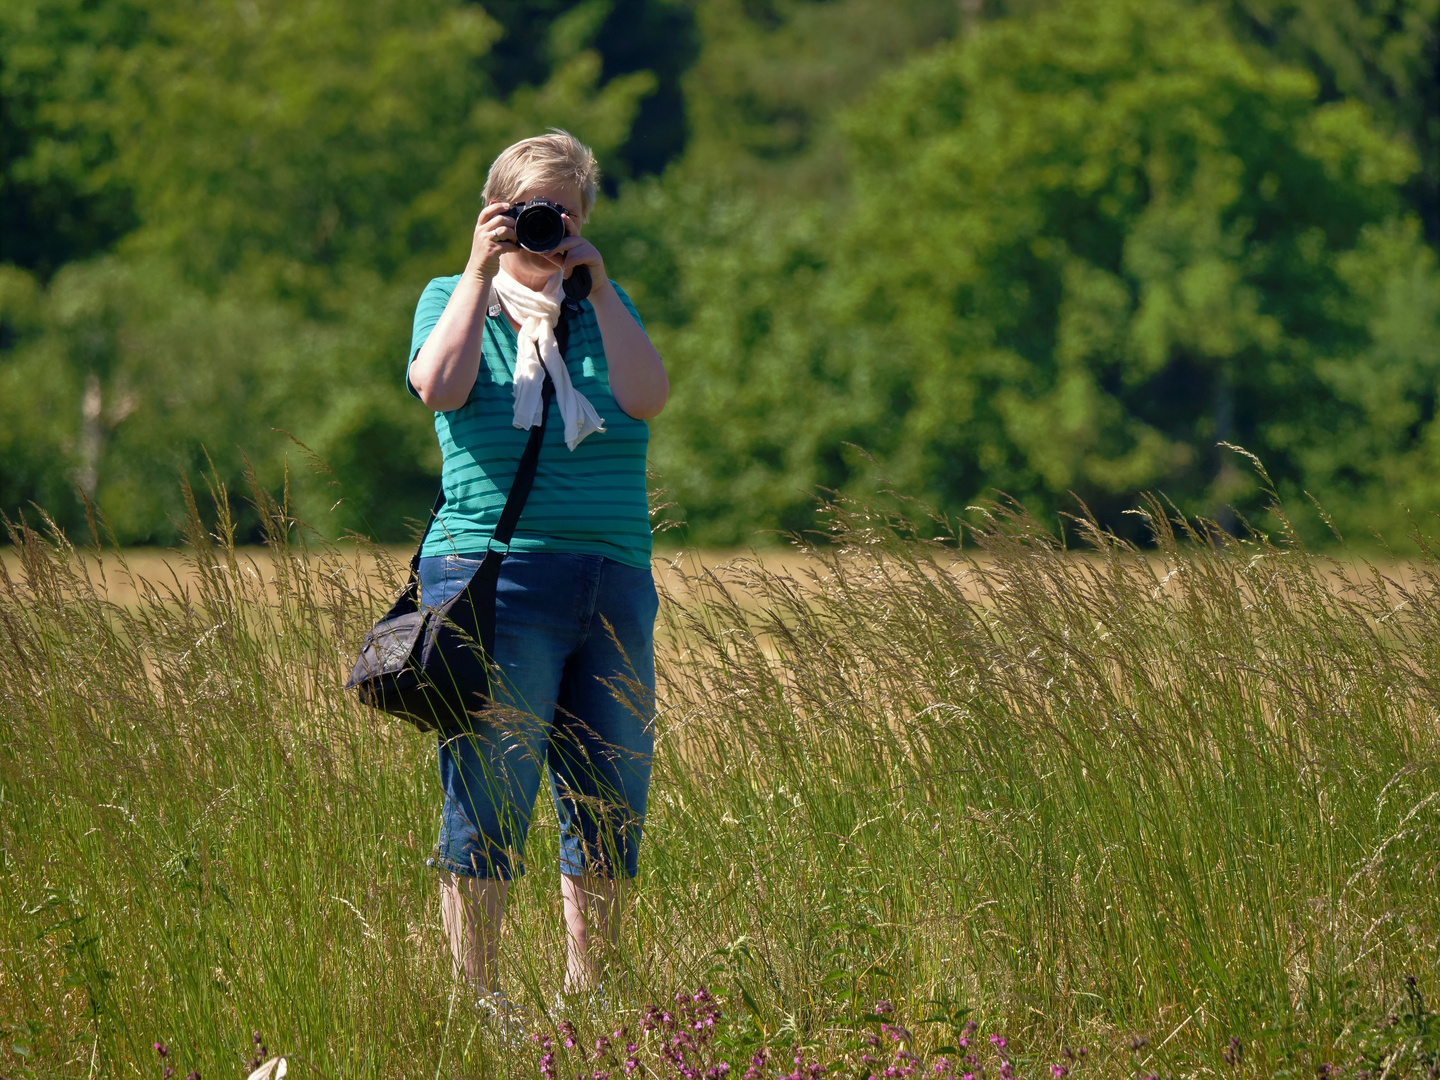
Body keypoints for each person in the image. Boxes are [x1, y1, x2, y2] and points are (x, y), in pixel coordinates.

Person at [404, 131, 669, 1013]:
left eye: (563, 213)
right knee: (490, 789)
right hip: (497, 580)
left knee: (610, 792)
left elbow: (646, 397)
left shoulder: (602, 301)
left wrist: (596, 286)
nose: (546, 228)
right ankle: (474, 998)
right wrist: (479, 274)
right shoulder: (452, 297)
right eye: (529, 213)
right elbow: (437, 387)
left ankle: (590, 1001)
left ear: (584, 220)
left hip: (614, 579)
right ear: (495, 215)